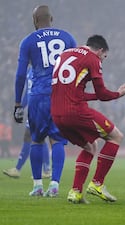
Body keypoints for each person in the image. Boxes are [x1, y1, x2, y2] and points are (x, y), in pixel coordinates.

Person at [51, 34, 125, 204]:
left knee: (90, 146)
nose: (103, 60)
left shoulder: (66, 54)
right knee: (116, 136)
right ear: (100, 50)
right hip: (75, 112)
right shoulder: (92, 59)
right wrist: (118, 94)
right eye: (104, 57)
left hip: (56, 114)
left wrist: (94, 97)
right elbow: (102, 94)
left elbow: (74, 92)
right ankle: (97, 184)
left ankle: (76, 192)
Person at [14, 5, 76, 197]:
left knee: (36, 140)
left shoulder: (28, 41)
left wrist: (17, 103)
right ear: (52, 18)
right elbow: (77, 67)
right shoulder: (67, 37)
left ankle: (37, 186)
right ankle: (55, 185)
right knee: (57, 140)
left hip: (38, 95)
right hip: (60, 94)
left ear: (35, 21)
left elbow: (20, 75)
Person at [4, 68, 51, 179]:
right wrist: (21, 107)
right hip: (33, 109)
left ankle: (20, 169)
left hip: (40, 107)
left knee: (34, 137)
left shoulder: (43, 69)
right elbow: (27, 92)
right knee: (33, 137)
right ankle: (44, 169)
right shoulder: (30, 70)